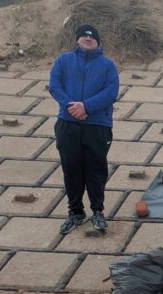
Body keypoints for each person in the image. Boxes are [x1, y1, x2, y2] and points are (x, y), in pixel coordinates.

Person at [49, 24, 119, 234]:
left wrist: (86, 106)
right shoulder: (64, 60)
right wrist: (73, 107)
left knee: (96, 169)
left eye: (92, 37)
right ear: (77, 40)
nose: (88, 39)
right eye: (84, 36)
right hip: (68, 122)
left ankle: (98, 212)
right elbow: (54, 85)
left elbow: (111, 92)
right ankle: (75, 212)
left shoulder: (108, 65)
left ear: (98, 42)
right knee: (71, 169)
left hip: (97, 125)